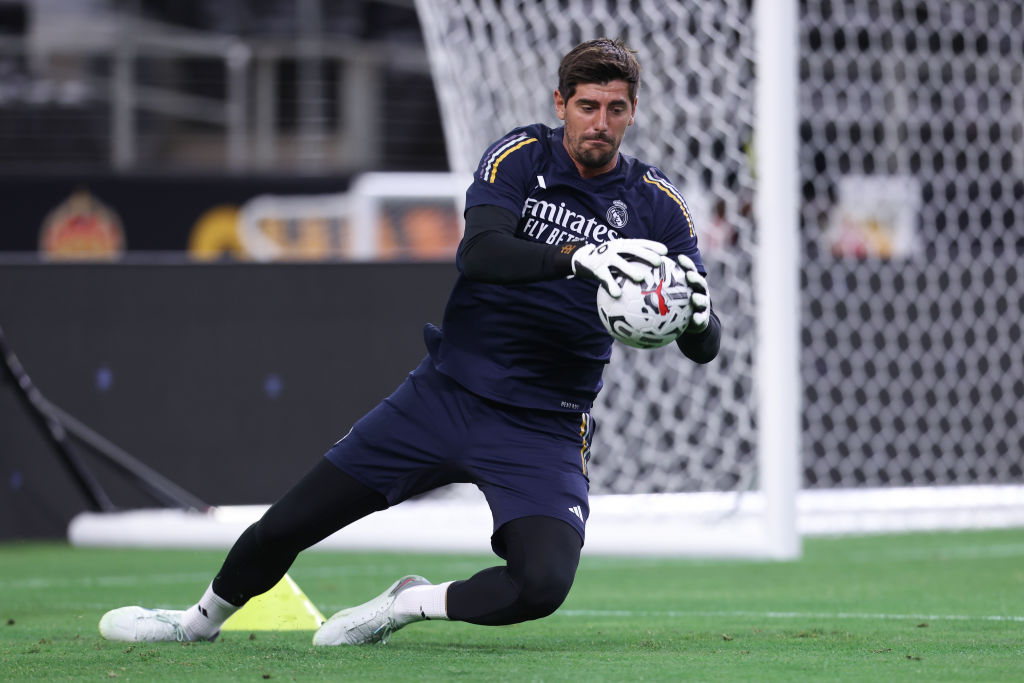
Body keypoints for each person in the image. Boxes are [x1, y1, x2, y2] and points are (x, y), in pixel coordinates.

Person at [98, 36, 721, 646]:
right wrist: (578, 258)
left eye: (616, 109)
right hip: (447, 396)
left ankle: (410, 602)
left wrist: (696, 320)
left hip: (545, 425)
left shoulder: (660, 208)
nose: (600, 123)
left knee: (543, 585)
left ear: (633, 112)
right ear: (561, 104)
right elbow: (479, 252)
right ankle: (195, 623)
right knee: (287, 525)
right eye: (588, 106)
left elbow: (704, 340)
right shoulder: (519, 157)